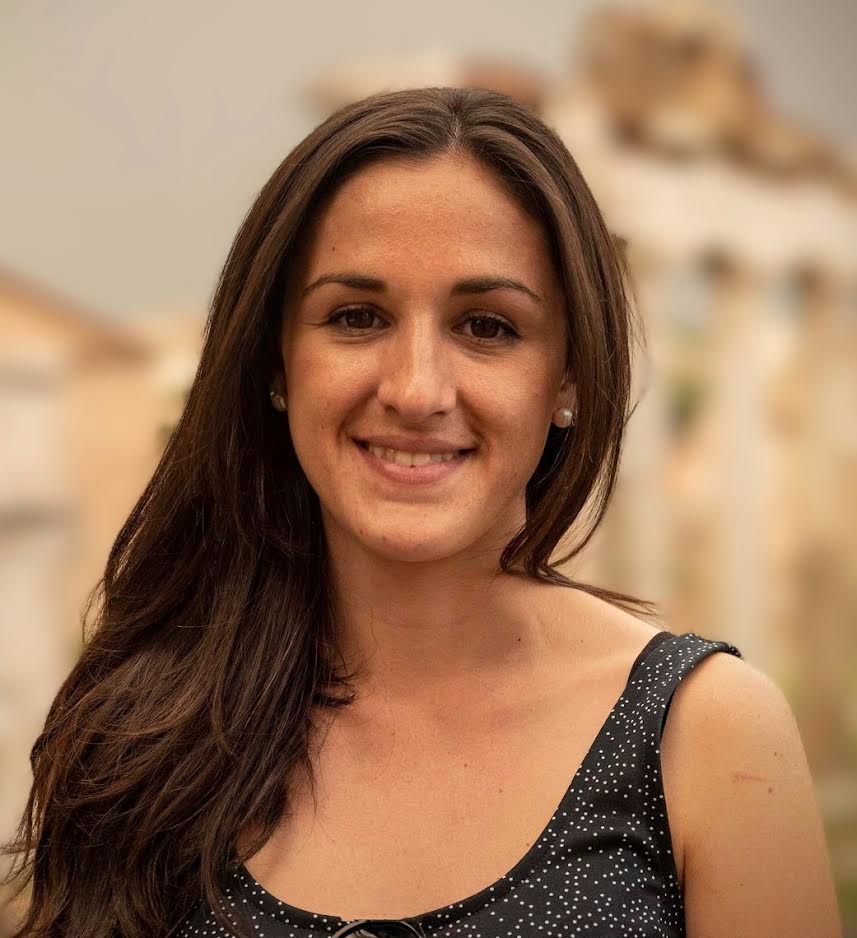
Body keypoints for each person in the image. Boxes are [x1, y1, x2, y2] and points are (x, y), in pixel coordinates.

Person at [1, 87, 841, 938]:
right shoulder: (136, 728)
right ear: (275, 363)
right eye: (356, 317)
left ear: (568, 381)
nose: (414, 390)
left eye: (486, 326)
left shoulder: (709, 736)